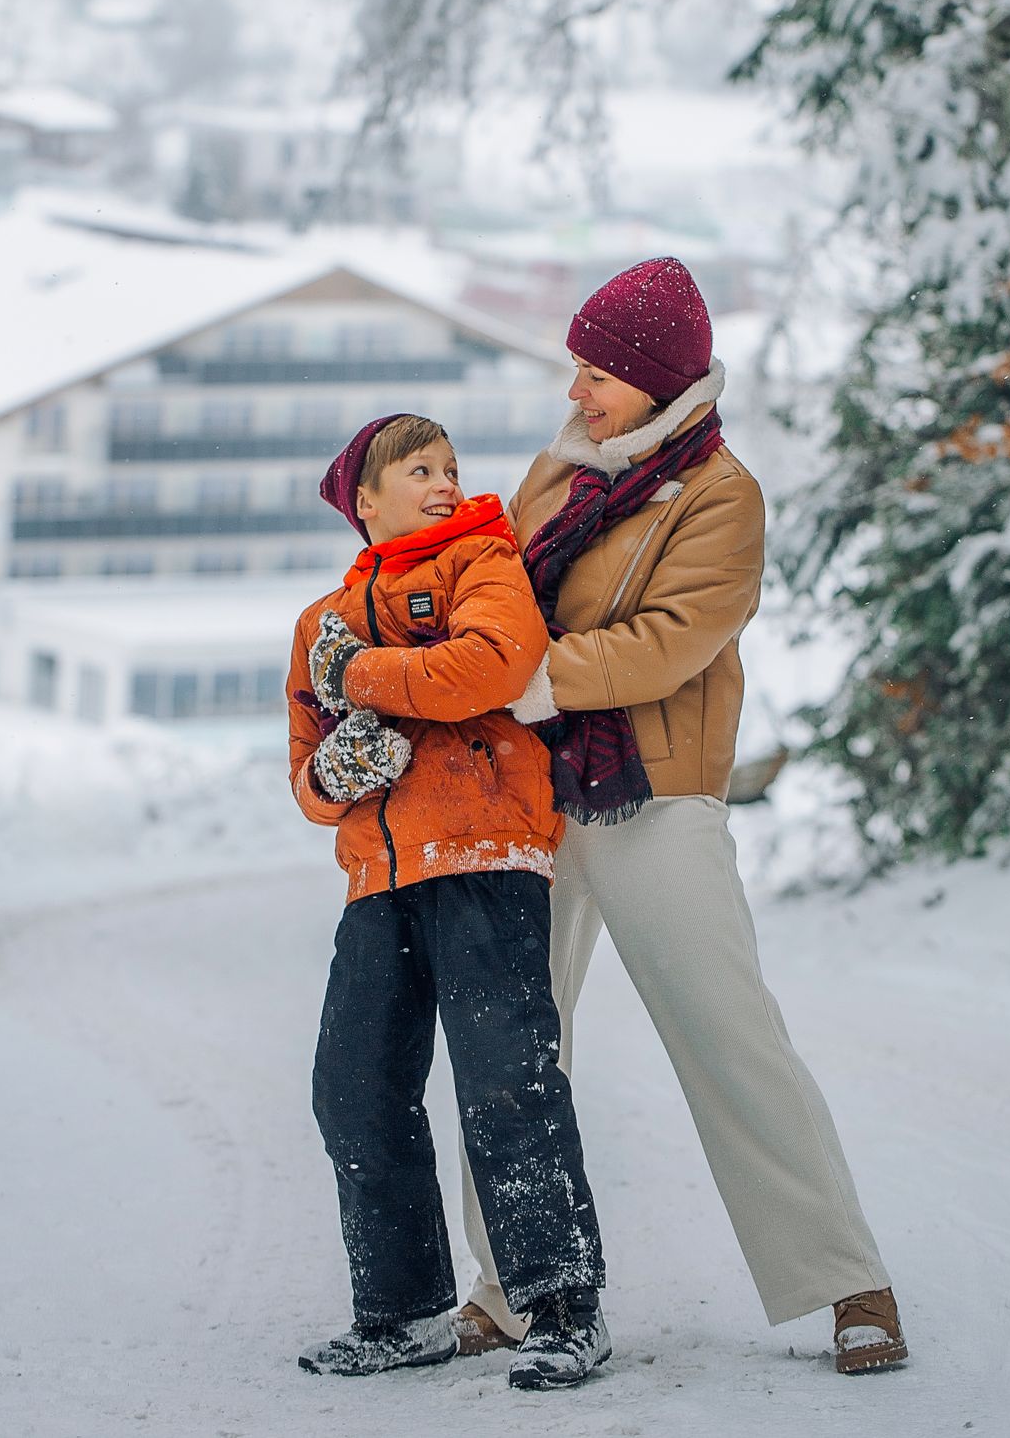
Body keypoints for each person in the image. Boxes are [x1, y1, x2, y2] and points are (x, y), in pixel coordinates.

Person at [455, 259, 908, 1379]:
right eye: (574, 367)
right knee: (512, 1043)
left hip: (650, 794)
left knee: (725, 1032)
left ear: (657, 381)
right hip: (529, 793)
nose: (576, 390)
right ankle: (509, 1288)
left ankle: (846, 1279)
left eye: (597, 373)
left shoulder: (720, 495)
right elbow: (496, 591)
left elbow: (672, 641)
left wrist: (530, 677)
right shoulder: (557, 472)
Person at [286, 412, 611, 1389]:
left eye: (449, 467)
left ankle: (565, 1309)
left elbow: (492, 665)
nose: (443, 484)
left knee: (506, 1082)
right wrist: (337, 773)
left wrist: (363, 677)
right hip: (378, 880)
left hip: (485, 859)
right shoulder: (318, 624)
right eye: (418, 471)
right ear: (365, 501)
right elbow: (305, 772)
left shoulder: (482, 560)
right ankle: (401, 1313)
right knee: (353, 1087)